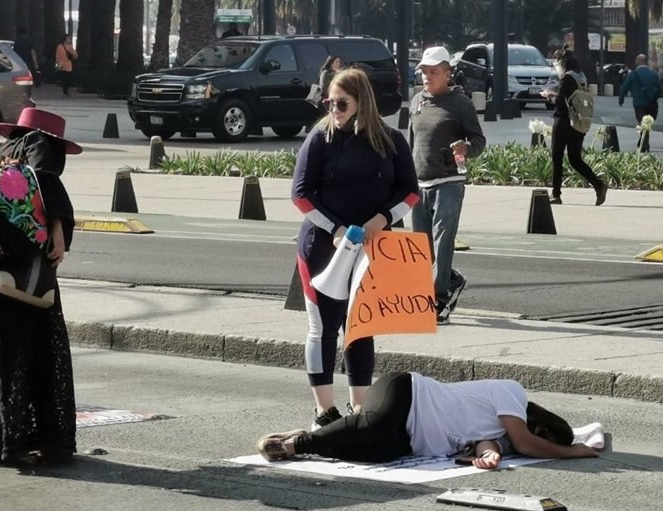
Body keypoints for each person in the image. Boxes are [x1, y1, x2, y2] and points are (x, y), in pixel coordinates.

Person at [291, 68, 419, 428]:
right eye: (329, 101)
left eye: (342, 103)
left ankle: (360, 410)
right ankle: (324, 411)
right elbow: (300, 195)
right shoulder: (320, 138)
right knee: (322, 327)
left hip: (372, 247)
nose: (334, 108)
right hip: (322, 246)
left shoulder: (391, 139)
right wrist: (335, 228)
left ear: (363, 102)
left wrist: (383, 218)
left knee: (361, 327)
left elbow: (410, 191)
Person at [0, 108, 81, 467]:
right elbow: (44, 175)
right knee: (30, 348)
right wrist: (58, 227)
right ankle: (32, 443)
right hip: (16, 266)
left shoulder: (0, 159)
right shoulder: (36, 142)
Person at [256, 372, 602, 467]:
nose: (533, 439)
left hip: (409, 438)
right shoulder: (513, 393)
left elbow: (491, 442)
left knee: (375, 453)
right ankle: (294, 445)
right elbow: (527, 441)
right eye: (540, 432)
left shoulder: (513, 441)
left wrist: (489, 455)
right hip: (407, 393)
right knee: (374, 424)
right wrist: (574, 451)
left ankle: (312, 441)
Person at [408, 46, 486, 325]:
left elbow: (479, 141)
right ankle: (452, 279)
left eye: (434, 72)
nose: (428, 76)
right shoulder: (417, 101)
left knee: (442, 243)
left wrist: (466, 148)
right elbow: (412, 143)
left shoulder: (460, 102)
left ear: (447, 73)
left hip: (449, 182)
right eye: (424, 71)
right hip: (419, 183)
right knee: (421, 246)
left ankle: (439, 298)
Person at [544, 48, 607, 206]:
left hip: (564, 120)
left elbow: (560, 102)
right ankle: (598, 185)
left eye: (556, 63)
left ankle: (556, 194)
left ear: (562, 63)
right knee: (575, 159)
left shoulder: (567, 78)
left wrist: (549, 96)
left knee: (557, 157)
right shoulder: (581, 77)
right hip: (578, 122)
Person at [619, 54, 662, 152]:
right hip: (651, 104)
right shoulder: (653, 74)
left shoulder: (633, 74)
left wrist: (621, 99)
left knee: (643, 123)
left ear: (638, 61)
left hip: (639, 104)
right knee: (646, 124)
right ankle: (642, 142)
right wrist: (654, 97)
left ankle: (644, 145)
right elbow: (660, 88)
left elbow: (624, 87)